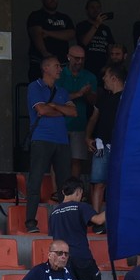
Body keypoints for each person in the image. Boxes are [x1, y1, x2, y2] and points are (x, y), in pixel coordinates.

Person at [26, 56, 77, 233]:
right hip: (41, 139)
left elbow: (73, 112)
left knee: (65, 183)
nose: (60, 69)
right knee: (35, 180)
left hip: (62, 141)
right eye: (56, 66)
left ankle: (65, 223)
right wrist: (61, 110)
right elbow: (41, 109)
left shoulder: (62, 91)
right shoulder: (34, 87)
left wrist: (54, 106)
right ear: (45, 68)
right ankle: (30, 221)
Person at [49, 179, 103, 280]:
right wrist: (114, 207)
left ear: (63, 192)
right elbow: (99, 220)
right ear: (79, 192)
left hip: (62, 259)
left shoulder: (53, 213)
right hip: (81, 256)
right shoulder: (81, 206)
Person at [85, 62, 125, 210]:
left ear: (114, 78)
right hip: (101, 145)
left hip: (121, 146)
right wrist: (87, 137)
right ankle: (96, 217)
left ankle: (116, 217)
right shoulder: (103, 97)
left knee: (119, 182)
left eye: (106, 76)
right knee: (98, 182)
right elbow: (93, 118)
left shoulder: (128, 98)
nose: (103, 79)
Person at [58, 45, 97, 180]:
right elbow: (56, 98)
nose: (79, 61)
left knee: (77, 160)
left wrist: (88, 94)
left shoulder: (90, 76)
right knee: (57, 160)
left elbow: (94, 102)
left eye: (82, 59)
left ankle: (74, 189)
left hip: (79, 124)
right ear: (68, 57)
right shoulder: (59, 74)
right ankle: (56, 190)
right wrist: (79, 93)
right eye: (76, 58)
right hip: (59, 124)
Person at [27, 0, 74, 80]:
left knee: (61, 88)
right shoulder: (36, 16)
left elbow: (71, 34)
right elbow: (37, 34)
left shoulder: (65, 18)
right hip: (41, 62)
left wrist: (48, 33)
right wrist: (45, 53)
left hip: (62, 64)